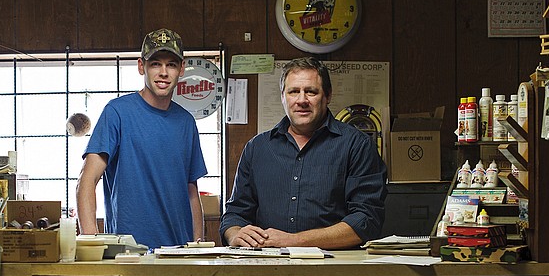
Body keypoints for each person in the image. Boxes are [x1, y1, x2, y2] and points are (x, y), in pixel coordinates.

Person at [220, 57, 387, 250]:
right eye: (293, 92)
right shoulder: (257, 148)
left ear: (328, 96)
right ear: (283, 96)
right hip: (268, 269)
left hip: (335, 271)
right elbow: (235, 214)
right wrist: (235, 235)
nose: (301, 100)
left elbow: (366, 220)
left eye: (311, 91)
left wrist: (294, 241)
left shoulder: (357, 145)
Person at [76, 28, 207, 250]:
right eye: (155, 63)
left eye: (171, 64)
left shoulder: (186, 122)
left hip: (178, 254)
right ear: (141, 66)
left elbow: (191, 191)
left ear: (182, 68)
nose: (163, 72)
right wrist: (91, 244)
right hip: (130, 254)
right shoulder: (117, 113)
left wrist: (198, 246)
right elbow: (86, 181)